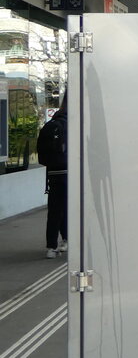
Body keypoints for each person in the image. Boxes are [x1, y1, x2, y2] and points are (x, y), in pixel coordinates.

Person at [37, 104, 67, 259]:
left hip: (53, 173)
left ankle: (51, 247)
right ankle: (67, 239)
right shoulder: (71, 126)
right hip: (69, 173)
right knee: (68, 208)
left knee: (55, 209)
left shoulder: (49, 126)